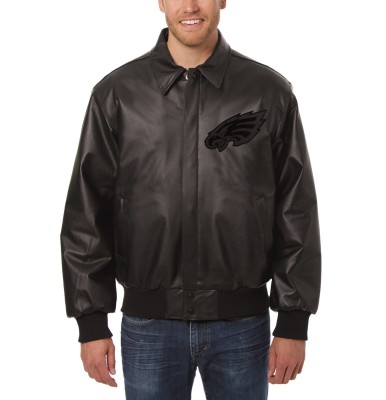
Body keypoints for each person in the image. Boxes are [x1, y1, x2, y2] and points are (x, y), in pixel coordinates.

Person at [60, 1, 321, 399]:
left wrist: (293, 320)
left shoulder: (267, 92)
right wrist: (91, 322)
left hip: (242, 325)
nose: (190, 6)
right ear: (161, 2)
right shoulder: (117, 94)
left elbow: (295, 208)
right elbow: (86, 212)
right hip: (149, 325)